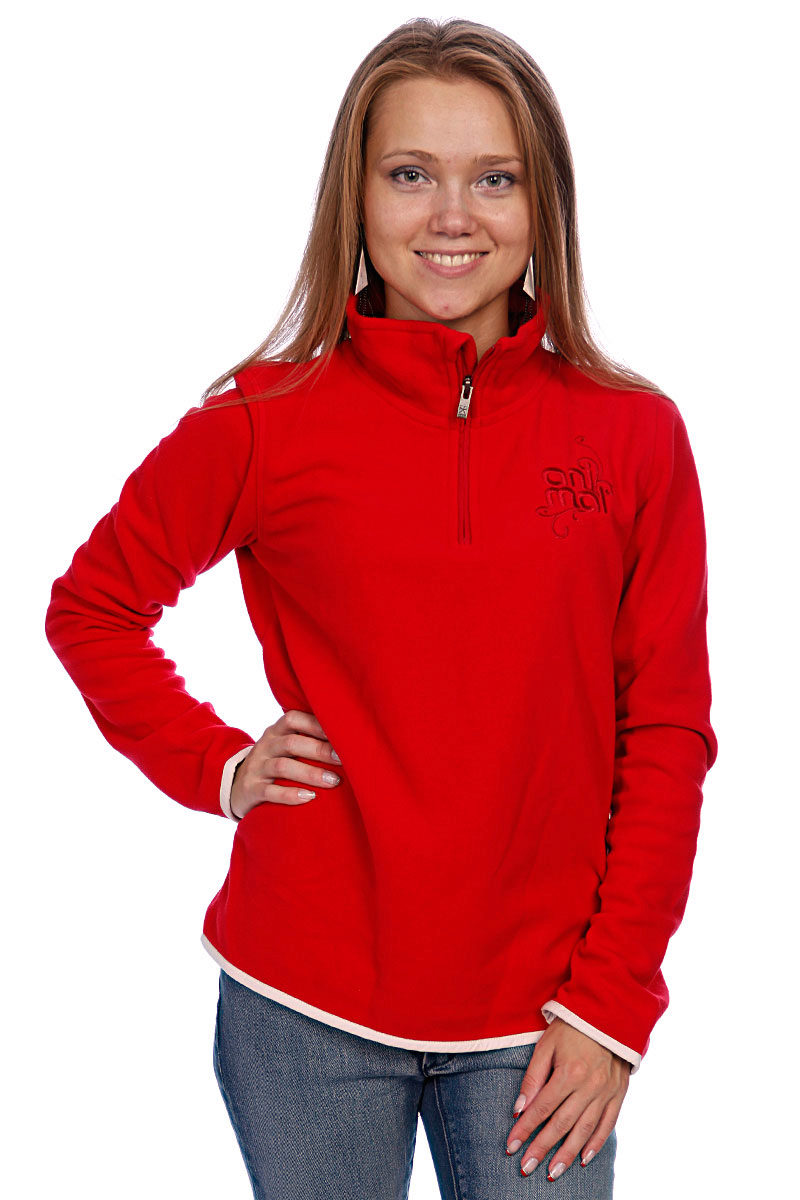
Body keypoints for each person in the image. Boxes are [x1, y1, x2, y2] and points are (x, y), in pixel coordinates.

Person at [44, 16, 718, 1199]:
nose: (451, 215)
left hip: (544, 1015)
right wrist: (217, 766)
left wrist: (610, 1008)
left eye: (493, 179)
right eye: (410, 174)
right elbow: (93, 607)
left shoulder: (632, 436)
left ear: (542, 203)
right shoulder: (262, 422)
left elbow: (663, 733)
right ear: (353, 198)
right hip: (301, 1007)